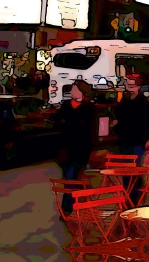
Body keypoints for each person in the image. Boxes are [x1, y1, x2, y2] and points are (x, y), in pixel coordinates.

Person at [53, 80, 97, 213]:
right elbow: (57, 122)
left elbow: (90, 129)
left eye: (74, 89)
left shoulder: (89, 108)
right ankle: (81, 198)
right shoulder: (66, 106)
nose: (71, 91)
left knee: (71, 179)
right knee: (70, 178)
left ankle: (67, 209)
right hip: (65, 149)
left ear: (81, 91)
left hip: (80, 149)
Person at [113, 76, 149, 205]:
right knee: (126, 169)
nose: (129, 88)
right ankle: (129, 194)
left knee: (134, 168)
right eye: (128, 85)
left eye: (132, 86)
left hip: (138, 140)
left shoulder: (144, 103)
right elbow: (117, 116)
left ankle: (134, 195)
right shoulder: (123, 102)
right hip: (124, 139)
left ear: (138, 87)